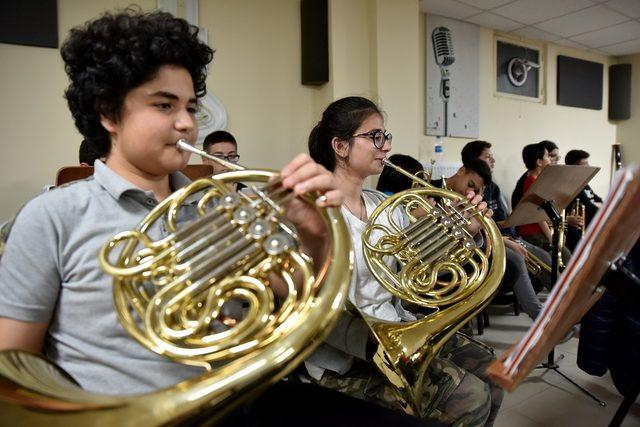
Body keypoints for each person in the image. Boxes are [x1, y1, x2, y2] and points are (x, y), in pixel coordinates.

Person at [0, 8, 343, 399]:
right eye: (165, 106)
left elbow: (294, 295)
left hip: (235, 399)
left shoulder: (215, 207)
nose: (187, 124)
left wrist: (314, 236)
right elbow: (15, 368)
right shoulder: (52, 216)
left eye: (191, 108)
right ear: (109, 113)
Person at [306, 96, 503, 426]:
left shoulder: (382, 204)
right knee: (473, 400)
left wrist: (466, 231)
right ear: (340, 146)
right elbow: (312, 307)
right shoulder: (314, 214)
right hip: (348, 354)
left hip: (399, 325)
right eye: (375, 137)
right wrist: (375, 345)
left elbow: (426, 263)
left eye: (386, 136)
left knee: (496, 374)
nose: (385, 146)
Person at [461, 141, 553, 319]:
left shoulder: (493, 187)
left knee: (545, 257)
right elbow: (478, 228)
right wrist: (507, 237)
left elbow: (501, 218)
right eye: (488, 157)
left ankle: (563, 304)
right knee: (517, 259)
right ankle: (540, 316)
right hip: (491, 241)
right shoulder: (468, 186)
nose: (493, 160)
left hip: (507, 234)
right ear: (473, 162)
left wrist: (516, 219)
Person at [564, 149, 603, 251]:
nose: (589, 167)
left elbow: (600, 200)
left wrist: (598, 204)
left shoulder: (583, 183)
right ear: (575, 168)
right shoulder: (573, 185)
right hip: (580, 229)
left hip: (590, 226)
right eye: (585, 164)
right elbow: (591, 209)